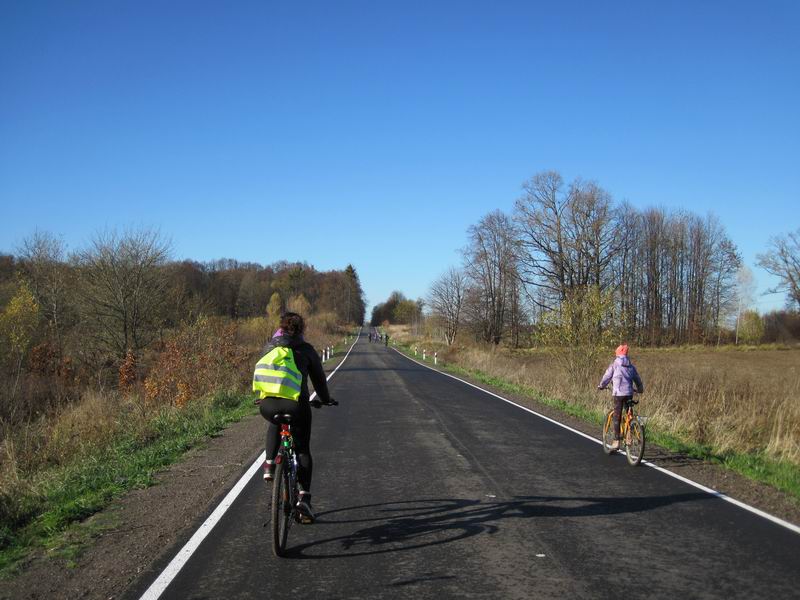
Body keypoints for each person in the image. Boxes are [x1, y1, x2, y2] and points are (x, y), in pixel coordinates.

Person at [254, 312, 335, 524]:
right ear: (301, 329)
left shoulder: (269, 347)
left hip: (268, 405)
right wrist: (326, 399)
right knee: (302, 450)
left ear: (280, 327)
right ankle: (304, 500)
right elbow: (319, 382)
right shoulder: (306, 350)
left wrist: (262, 397)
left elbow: (261, 374)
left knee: (276, 421)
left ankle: (270, 464)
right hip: (297, 405)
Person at [597, 344, 644, 450]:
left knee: (617, 416)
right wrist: (640, 389)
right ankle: (629, 437)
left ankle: (616, 441)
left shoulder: (615, 365)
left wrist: (601, 385)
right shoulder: (631, 367)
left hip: (618, 394)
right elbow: (637, 379)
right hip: (629, 393)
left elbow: (607, 376)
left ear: (617, 354)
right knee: (629, 413)